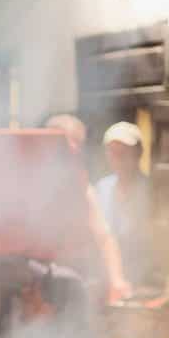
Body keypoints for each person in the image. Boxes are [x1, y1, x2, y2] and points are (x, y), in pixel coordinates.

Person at [45, 113, 132, 303]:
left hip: (71, 281)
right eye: (69, 142)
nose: (75, 149)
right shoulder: (31, 179)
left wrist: (116, 279)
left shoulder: (81, 187)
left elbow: (104, 235)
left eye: (79, 143)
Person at [95, 121, 155, 288]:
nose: (118, 158)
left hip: (144, 280)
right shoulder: (102, 188)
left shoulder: (152, 191)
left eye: (124, 152)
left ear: (139, 153)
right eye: (113, 152)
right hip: (107, 280)